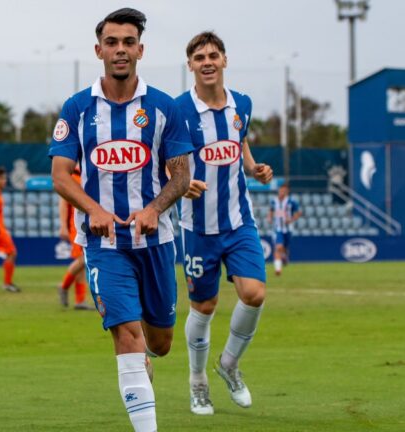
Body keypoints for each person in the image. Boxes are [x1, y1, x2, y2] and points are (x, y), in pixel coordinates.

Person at [49, 8, 191, 431]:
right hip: (103, 245)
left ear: (140, 50)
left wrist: (153, 208)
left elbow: (182, 175)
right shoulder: (76, 109)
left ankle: (144, 357)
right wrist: (93, 209)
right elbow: (60, 175)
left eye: (128, 42)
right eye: (112, 42)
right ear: (99, 50)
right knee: (126, 335)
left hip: (156, 242)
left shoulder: (164, 107)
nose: (120, 50)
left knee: (159, 343)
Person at [175, 31, 273, 416]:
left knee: (255, 294)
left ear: (225, 60)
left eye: (213, 55)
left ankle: (229, 364)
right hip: (197, 227)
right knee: (204, 305)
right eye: (199, 57)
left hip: (238, 222)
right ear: (191, 66)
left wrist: (253, 167)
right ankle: (197, 381)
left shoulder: (242, 104)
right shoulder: (179, 110)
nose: (207, 62)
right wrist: (181, 185)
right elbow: (163, 157)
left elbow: (240, 140)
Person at [56, 167, 94, 310]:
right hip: (76, 225)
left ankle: (80, 300)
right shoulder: (72, 176)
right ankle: (64, 285)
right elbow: (63, 203)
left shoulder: (83, 174)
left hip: (83, 223)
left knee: (82, 261)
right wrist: (63, 227)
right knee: (82, 259)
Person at [268, 183, 301, 276]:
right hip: (277, 229)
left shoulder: (291, 201)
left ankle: (285, 256)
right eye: (281, 190)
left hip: (288, 229)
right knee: (278, 247)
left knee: (285, 248)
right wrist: (269, 217)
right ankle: (278, 269)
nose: (282, 192)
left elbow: (298, 213)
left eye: (284, 190)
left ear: (287, 191)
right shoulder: (274, 201)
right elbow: (271, 210)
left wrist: (291, 220)